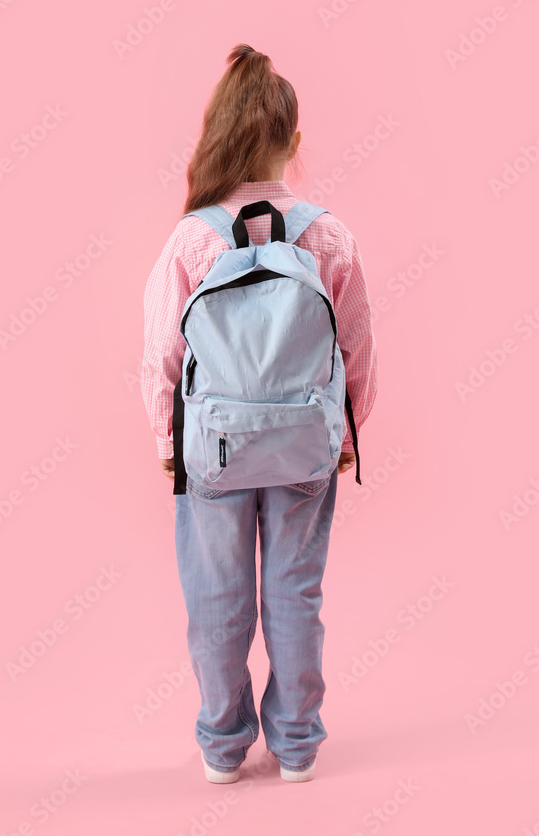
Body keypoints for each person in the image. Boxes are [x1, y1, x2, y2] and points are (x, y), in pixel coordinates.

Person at [141, 44, 378, 785]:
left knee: (216, 597)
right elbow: (358, 344)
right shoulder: (326, 235)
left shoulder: (192, 238)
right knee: (293, 593)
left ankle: (221, 746)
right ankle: (297, 746)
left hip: (212, 446)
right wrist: (347, 430)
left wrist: (165, 439)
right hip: (307, 440)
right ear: (292, 142)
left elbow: (161, 354)